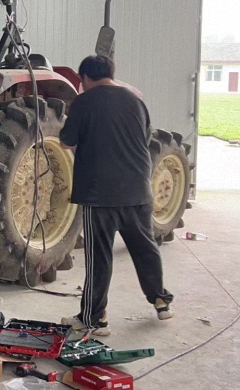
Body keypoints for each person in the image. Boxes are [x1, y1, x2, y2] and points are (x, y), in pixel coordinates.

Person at [58, 55, 174, 336]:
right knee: (145, 247)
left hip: (99, 195)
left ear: (85, 78)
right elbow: (144, 138)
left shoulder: (84, 102)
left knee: (99, 258)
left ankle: (94, 319)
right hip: (138, 190)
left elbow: (66, 141)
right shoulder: (135, 100)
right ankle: (161, 301)